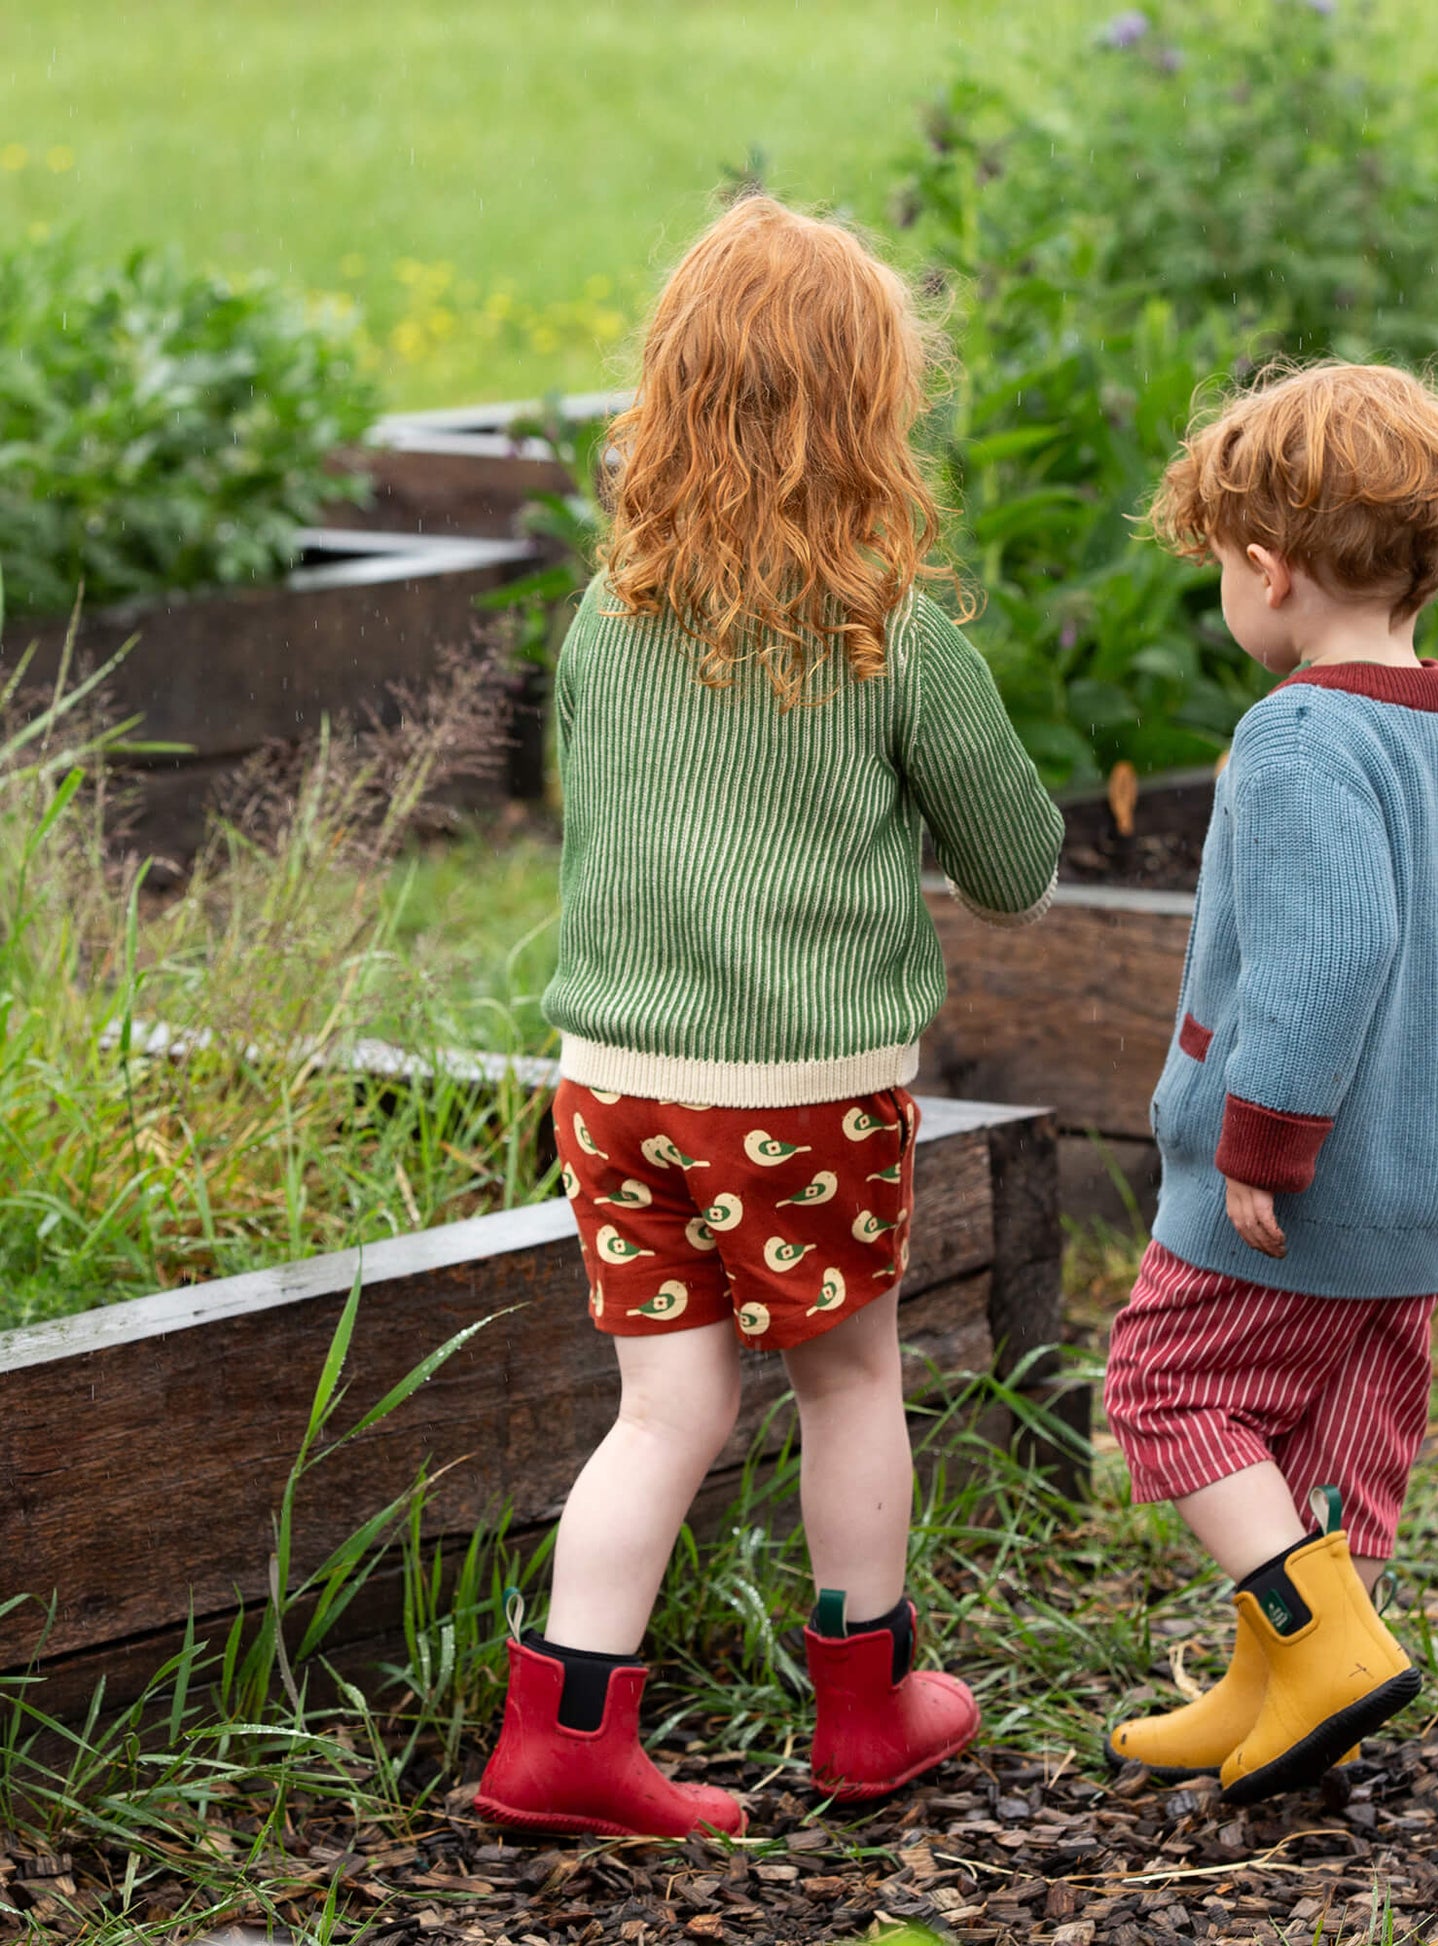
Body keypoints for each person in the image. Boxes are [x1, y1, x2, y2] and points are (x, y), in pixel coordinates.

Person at [475, 193, 1063, 1840]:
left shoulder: (606, 613)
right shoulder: (892, 631)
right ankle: (867, 1709)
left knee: (662, 1407)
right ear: (872, 409)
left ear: (665, 394)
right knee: (847, 1377)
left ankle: (564, 1732)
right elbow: (1017, 863)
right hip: (800, 1093)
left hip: (611, 1079)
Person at [1101, 361, 1438, 1805]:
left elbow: (1327, 947)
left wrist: (1267, 1137)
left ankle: (1328, 1640)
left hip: (1303, 1167)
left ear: (1262, 566)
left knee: (1164, 1384)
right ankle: (1270, 1679)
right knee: (1328, 1426)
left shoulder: (1295, 735)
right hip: (1428, 1168)